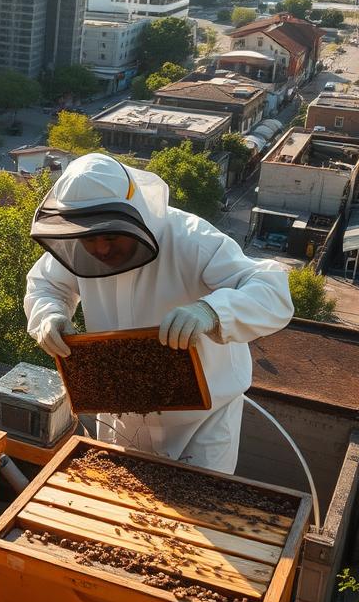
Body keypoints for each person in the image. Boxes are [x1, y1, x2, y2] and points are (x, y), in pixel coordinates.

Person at [24, 153, 292, 474]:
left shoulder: (191, 238)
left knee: (200, 520)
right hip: (118, 417)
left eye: (110, 235)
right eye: (88, 239)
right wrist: (48, 315)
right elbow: (46, 286)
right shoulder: (81, 243)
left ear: (134, 214)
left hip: (200, 426)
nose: (100, 249)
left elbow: (272, 290)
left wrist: (213, 311)